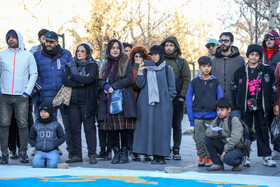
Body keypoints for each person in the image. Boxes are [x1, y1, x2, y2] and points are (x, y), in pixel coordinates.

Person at [232, 44, 277, 167]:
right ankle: (245, 156)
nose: (254, 57)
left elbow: (274, 87)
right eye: (252, 54)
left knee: (262, 130)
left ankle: (266, 156)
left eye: (257, 55)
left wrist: (270, 102)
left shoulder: (267, 70)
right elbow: (234, 87)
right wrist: (239, 101)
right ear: (248, 55)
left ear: (260, 57)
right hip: (246, 106)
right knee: (245, 131)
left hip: (261, 106)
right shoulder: (240, 71)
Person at [133, 45, 177, 165]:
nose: (153, 56)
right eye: (152, 55)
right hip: (146, 104)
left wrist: (168, 99)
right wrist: (140, 70)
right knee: (149, 129)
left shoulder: (168, 69)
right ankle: (152, 155)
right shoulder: (146, 68)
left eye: (156, 54)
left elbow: (172, 88)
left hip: (163, 104)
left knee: (163, 129)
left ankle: (161, 156)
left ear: (161, 55)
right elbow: (139, 84)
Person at [33, 31, 74, 158]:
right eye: (46, 41)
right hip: (46, 95)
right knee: (46, 124)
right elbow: (34, 73)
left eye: (51, 41)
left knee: (68, 124)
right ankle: (44, 147)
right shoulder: (37, 55)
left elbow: (72, 71)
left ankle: (72, 151)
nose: (48, 44)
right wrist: (40, 88)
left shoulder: (66, 54)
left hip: (63, 95)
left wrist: (68, 87)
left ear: (57, 42)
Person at [0, 29, 38, 164]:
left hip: (21, 96)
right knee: (4, 124)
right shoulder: (2, 55)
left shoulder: (27, 56)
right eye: (8, 37)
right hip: (4, 96)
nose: (11, 39)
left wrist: (27, 92)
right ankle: (4, 154)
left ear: (19, 39)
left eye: (13, 37)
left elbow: (34, 74)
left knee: (23, 125)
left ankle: (23, 152)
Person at [98, 39, 136, 164]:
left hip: (123, 99)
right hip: (109, 101)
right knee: (112, 129)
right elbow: (100, 79)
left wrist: (113, 86)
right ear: (109, 50)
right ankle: (116, 153)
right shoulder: (105, 63)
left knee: (124, 129)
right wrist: (105, 85)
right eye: (112, 48)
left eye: (117, 48)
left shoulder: (126, 61)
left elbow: (129, 78)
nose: (115, 50)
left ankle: (124, 154)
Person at [63, 43, 99, 164]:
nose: (79, 53)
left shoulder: (92, 65)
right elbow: (65, 80)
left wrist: (73, 77)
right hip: (73, 103)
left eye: (82, 51)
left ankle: (92, 154)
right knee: (74, 129)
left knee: (89, 128)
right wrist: (80, 83)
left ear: (87, 53)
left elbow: (91, 78)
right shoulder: (70, 65)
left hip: (87, 102)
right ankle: (77, 155)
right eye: (78, 51)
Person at [186, 56, 223, 167]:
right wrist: (191, 118)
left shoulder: (215, 82)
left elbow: (220, 99)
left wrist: (219, 116)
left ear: (211, 67)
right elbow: (188, 99)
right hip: (198, 116)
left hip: (212, 117)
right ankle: (201, 156)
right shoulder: (194, 82)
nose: (206, 68)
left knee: (210, 137)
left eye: (208, 66)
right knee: (199, 138)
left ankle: (209, 157)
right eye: (204, 66)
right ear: (200, 67)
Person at [160, 36, 191, 160]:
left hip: (178, 99)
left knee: (176, 125)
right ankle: (165, 149)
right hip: (163, 100)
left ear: (176, 47)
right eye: (166, 45)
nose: (168, 48)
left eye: (171, 45)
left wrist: (182, 96)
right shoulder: (160, 61)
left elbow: (187, 79)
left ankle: (176, 149)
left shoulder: (182, 62)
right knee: (164, 125)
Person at [205, 97, 245, 171]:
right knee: (208, 140)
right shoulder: (217, 119)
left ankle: (240, 161)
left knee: (227, 159)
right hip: (224, 145)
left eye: (222, 110)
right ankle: (218, 164)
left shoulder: (234, 120)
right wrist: (214, 133)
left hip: (236, 148)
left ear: (229, 110)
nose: (219, 112)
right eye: (218, 110)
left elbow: (235, 139)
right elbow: (207, 132)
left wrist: (224, 151)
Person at [211, 32, 245, 117]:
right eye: (221, 40)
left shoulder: (240, 60)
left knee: (235, 129)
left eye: (226, 41)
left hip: (235, 106)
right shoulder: (213, 60)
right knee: (218, 130)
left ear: (231, 42)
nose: (223, 43)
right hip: (218, 106)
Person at [129, 46, 152, 162]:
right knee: (134, 128)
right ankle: (135, 151)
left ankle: (147, 151)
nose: (138, 59)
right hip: (132, 100)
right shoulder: (129, 69)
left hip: (144, 100)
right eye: (136, 57)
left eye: (140, 57)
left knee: (145, 126)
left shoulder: (147, 69)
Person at [29, 101, 65, 168]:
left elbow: (62, 137)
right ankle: (43, 160)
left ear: (50, 112)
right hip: (39, 150)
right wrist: (36, 144)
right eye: (41, 112)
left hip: (52, 150)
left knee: (53, 165)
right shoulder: (35, 125)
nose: (43, 114)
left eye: (45, 111)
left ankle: (52, 158)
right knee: (36, 165)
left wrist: (55, 144)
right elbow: (31, 137)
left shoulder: (56, 124)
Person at [262, 30, 280, 159]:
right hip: (264, 94)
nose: (268, 41)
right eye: (266, 39)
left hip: (277, 92)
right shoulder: (261, 56)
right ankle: (274, 147)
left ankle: (278, 148)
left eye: (271, 39)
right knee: (269, 122)